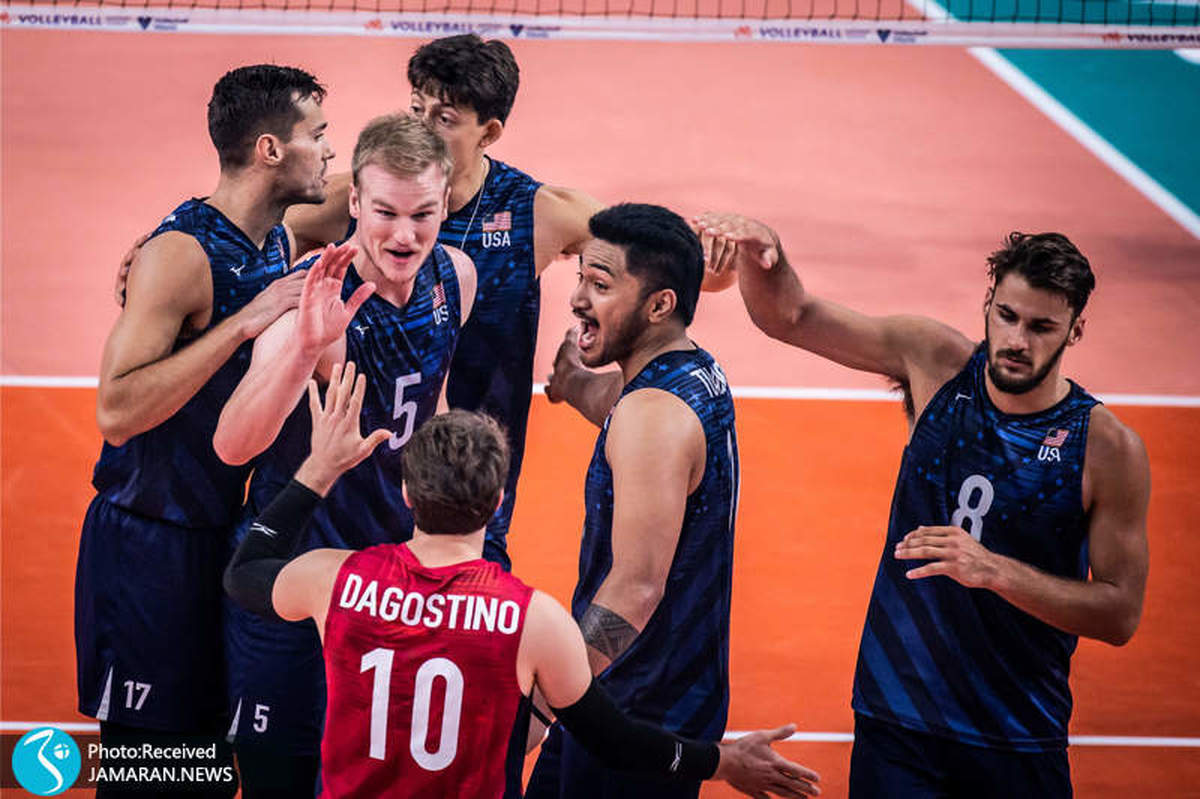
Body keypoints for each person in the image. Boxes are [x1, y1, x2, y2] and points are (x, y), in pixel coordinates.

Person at [695, 213, 1150, 798]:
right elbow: (793, 317)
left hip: (1017, 734)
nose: (1017, 340)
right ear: (987, 303)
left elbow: (1119, 614)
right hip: (897, 718)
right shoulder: (936, 361)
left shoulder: (1105, 447)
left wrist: (995, 571)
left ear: (1075, 330)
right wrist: (769, 254)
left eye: (1042, 327)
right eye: (1007, 316)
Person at [224, 365, 821, 799]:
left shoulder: (335, 579)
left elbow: (246, 571)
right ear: (498, 501)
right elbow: (613, 740)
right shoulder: (532, 619)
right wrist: (721, 762)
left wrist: (320, 468)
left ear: (406, 494)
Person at [75, 64, 334, 796]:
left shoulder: (276, 236)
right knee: (150, 772)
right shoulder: (179, 255)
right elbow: (115, 411)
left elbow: (378, 183)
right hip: (148, 542)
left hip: (220, 534)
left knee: (209, 769)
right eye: (318, 136)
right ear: (270, 150)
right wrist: (244, 323)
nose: (330, 151)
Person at [211, 113, 476, 796]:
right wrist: (305, 348)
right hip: (295, 582)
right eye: (385, 212)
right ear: (354, 201)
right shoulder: (317, 297)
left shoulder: (455, 277)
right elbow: (233, 444)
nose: (404, 235)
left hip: (389, 584)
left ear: (445, 202)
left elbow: (428, 401)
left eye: (422, 214)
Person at [529, 203, 740, 799]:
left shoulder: (653, 417)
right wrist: (574, 384)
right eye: (581, 279)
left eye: (601, 285)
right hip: (638, 691)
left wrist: (548, 699)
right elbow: (621, 413)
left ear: (659, 305)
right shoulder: (692, 372)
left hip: (633, 709)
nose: (577, 299)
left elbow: (637, 588)